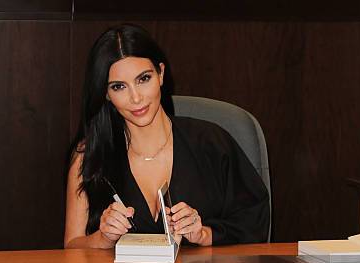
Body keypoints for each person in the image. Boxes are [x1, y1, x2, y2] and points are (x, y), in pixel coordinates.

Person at [64, 24, 269, 249]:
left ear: (161, 74)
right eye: (119, 86)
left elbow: (253, 226)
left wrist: (203, 234)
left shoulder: (213, 144)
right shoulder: (89, 155)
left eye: (143, 79)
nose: (136, 98)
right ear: (106, 94)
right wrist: (103, 238)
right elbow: (72, 246)